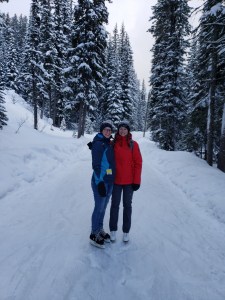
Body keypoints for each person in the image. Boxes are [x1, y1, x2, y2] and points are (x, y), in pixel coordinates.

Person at [109, 121, 142, 242]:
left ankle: (126, 231)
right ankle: (113, 229)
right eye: (120, 129)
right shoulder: (113, 144)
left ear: (128, 131)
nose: (122, 131)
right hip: (116, 181)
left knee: (127, 206)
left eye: (125, 129)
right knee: (114, 205)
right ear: (118, 130)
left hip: (129, 183)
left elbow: (138, 163)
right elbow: (107, 159)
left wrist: (137, 181)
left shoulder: (134, 145)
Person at [89, 121, 115, 249]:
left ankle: (100, 229)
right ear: (101, 131)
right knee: (99, 207)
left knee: (103, 208)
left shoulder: (109, 143)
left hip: (109, 180)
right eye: (105, 130)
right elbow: (96, 165)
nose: (108, 132)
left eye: (110, 130)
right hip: (100, 181)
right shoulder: (99, 144)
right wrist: (99, 182)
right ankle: (94, 234)